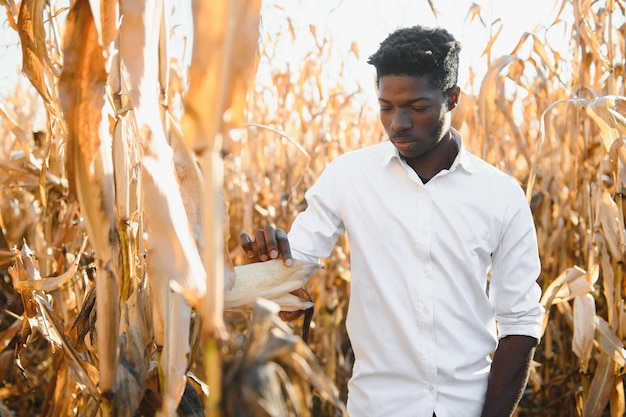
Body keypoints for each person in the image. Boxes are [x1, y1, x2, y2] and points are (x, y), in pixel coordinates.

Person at [240, 24, 544, 417]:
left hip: (466, 407)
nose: (398, 123)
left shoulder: (501, 195)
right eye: (386, 107)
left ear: (452, 98)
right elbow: (296, 263)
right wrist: (269, 270)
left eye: (417, 108)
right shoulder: (348, 176)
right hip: (377, 407)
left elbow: (520, 320)